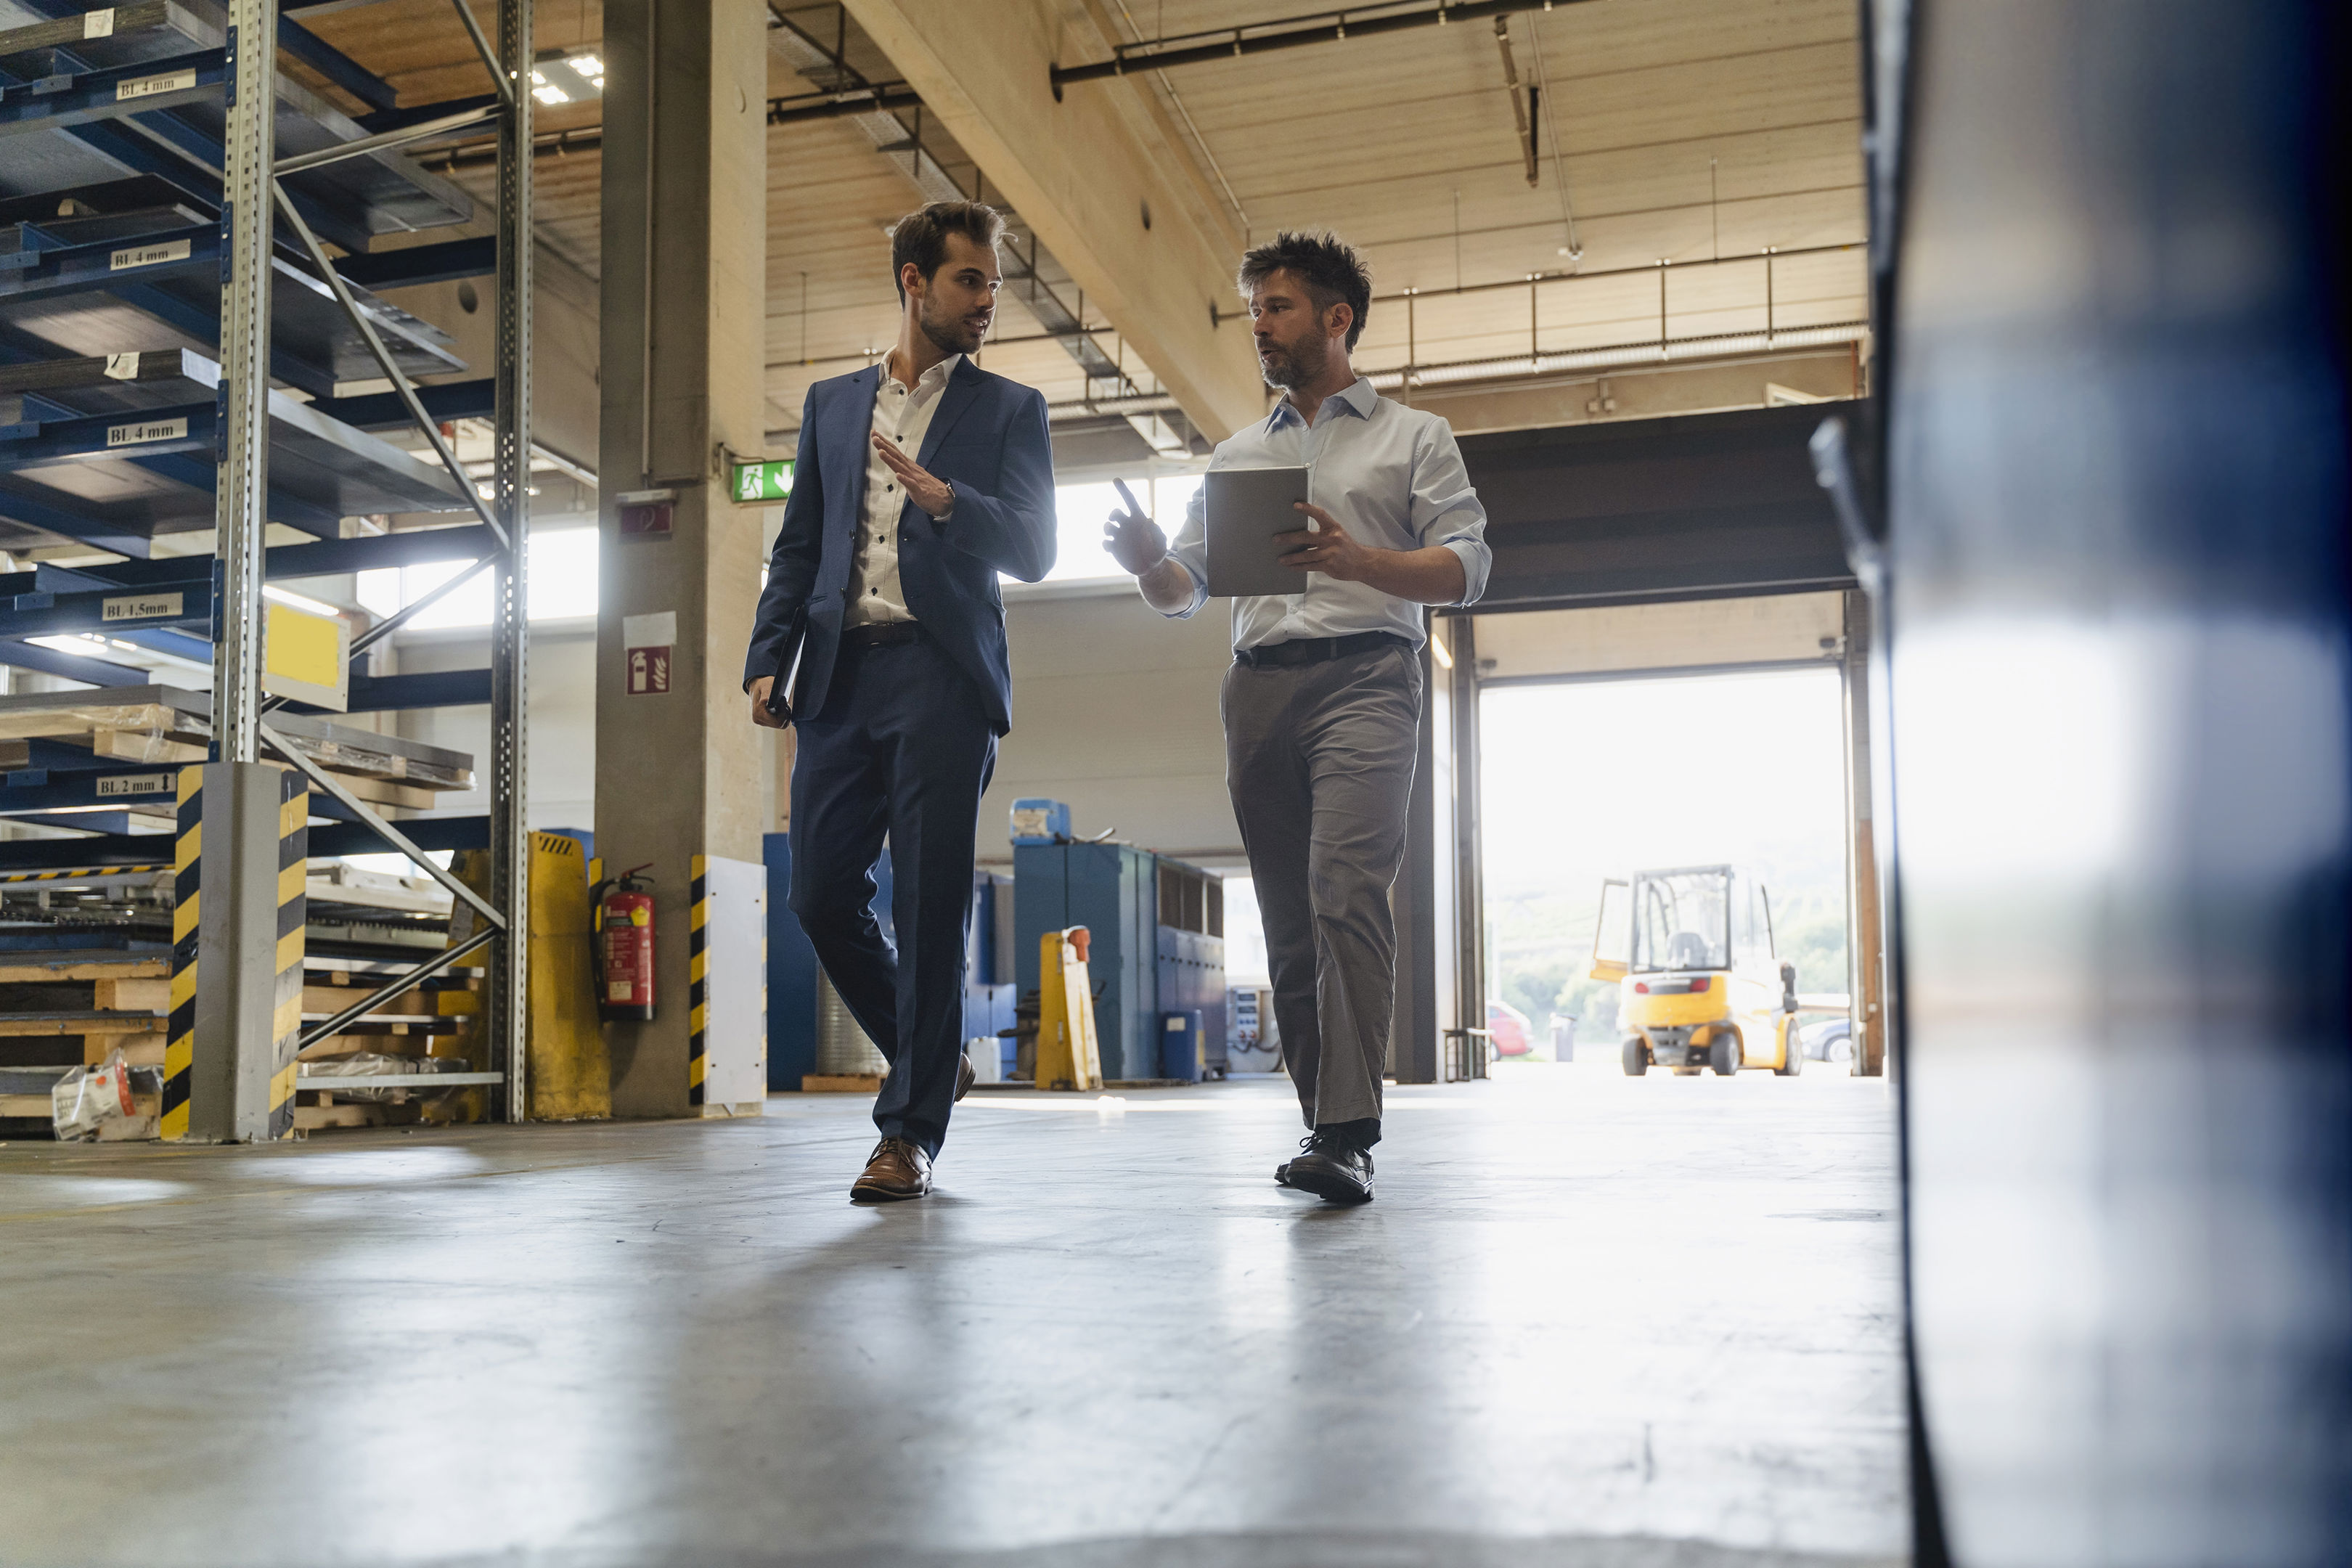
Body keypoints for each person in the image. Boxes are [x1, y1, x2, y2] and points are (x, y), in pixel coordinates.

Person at [1104, 231, 1490, 1205]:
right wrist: (1149, 563)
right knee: (1286, 920)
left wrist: (1363, 562)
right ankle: (1325, 1126)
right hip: (1258, 690)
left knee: (1343, 890)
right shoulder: (1239, 455)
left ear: (1336, 317)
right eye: (1254, 313)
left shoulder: (1415, 437)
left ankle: (1351, 1130)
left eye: (1277, 309)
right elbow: (1185, 591)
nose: (1260, 328)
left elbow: (1468, 566)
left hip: (1368, 678)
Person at [743, 201, 1055, 1202]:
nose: (987, 302)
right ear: (915, 281)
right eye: (970, 281)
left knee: (928, 905)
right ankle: (933, 1057)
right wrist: (768, 656)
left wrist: (950, 502)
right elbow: (800, 543)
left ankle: (908, 1132)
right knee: (818, 893)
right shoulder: (834, 405)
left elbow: (1037, 549)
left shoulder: (1011, 409)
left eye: (994, 286)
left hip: (941, 674)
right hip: (838, 674)